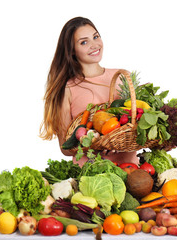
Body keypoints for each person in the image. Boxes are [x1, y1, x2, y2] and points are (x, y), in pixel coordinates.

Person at [40, 17, 139, 167]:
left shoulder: (121, 78)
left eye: (95, 37)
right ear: (72, 50)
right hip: (91, 174)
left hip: (133, 173)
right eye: (84, 42)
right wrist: (96, 145)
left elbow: (137, 119)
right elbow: (65, 148)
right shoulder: (67, 89)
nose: (94, 45)